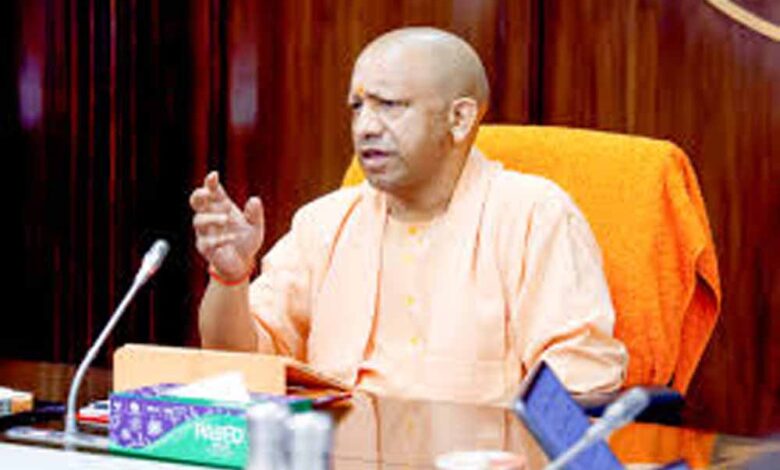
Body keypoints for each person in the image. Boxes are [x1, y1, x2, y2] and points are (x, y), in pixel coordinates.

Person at [190, 27, 627, 405]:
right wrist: (230, 278)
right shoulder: (323, 222)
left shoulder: (533, 215)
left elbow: (580, 381)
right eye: (357, 107)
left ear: (459, 118)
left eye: (389, 105)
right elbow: (241, 369)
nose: (365, 127)